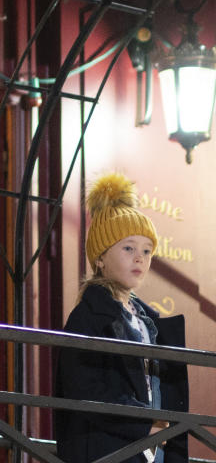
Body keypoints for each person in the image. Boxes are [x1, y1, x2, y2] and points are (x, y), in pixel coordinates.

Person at [55, 173, 188, 463]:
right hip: (110, 449)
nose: (139, 257)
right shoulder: (89, 315)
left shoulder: (146, 318)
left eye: (147, 250)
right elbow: (86, 388)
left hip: (150, 448)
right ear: (100, 258)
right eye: (128, 248)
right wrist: (142, 423)